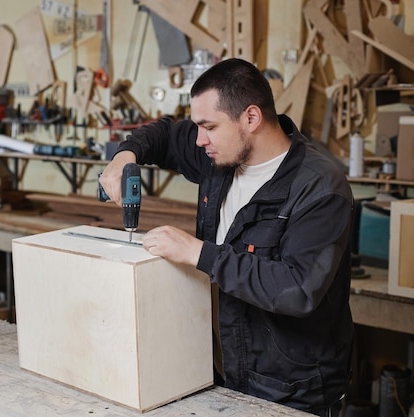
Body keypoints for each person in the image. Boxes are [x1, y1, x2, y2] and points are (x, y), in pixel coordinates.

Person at [99, 58, 354, 417]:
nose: (199, 139)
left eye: (209, 127)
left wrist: (200, 253)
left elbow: (297, 290)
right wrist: (123, 155)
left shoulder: (320, 188)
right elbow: (164, 135)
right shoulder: (218, 155)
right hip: (220, 373)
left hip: (290, 392)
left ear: (251, 118)